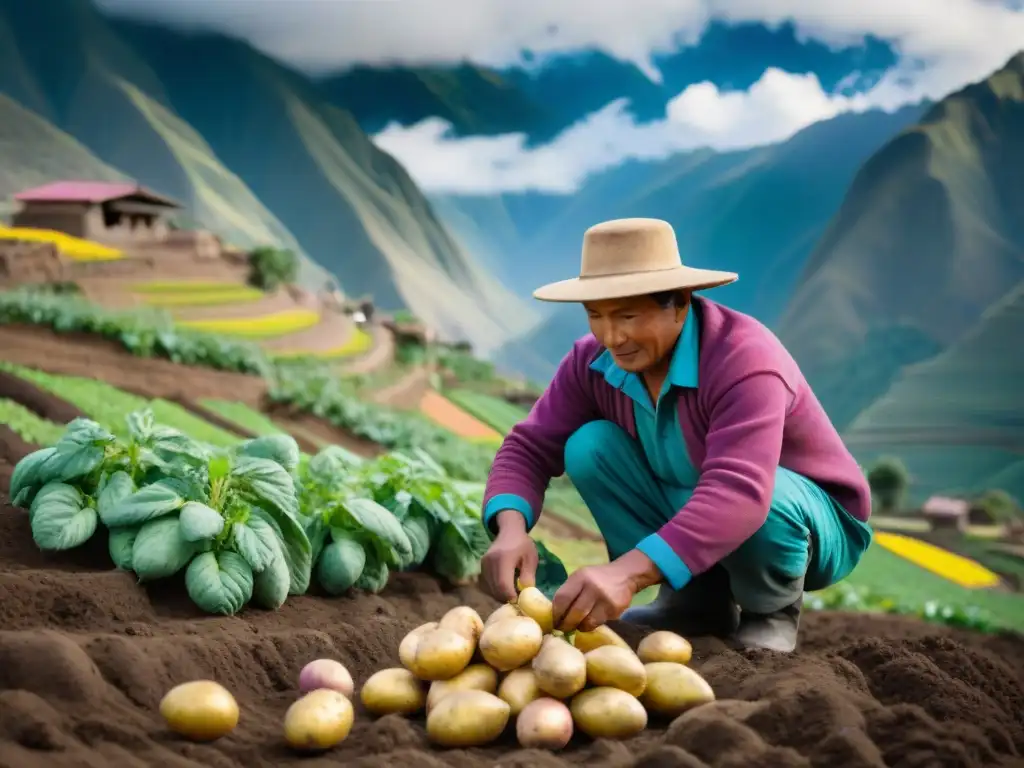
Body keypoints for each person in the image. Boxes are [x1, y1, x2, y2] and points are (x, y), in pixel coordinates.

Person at [479, 217, 873, 653]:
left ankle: (771, 610)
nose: (613, 336)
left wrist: (627, 572)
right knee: (589, 447)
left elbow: (739, 493)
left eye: (628, 316)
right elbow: (529, 446)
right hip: (698, 495)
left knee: (765, 492)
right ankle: (695, 601)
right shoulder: (591, 362)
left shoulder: (745, 359)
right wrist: (510, 529)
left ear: (680, 303)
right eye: (596, 316)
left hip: (808, 524)